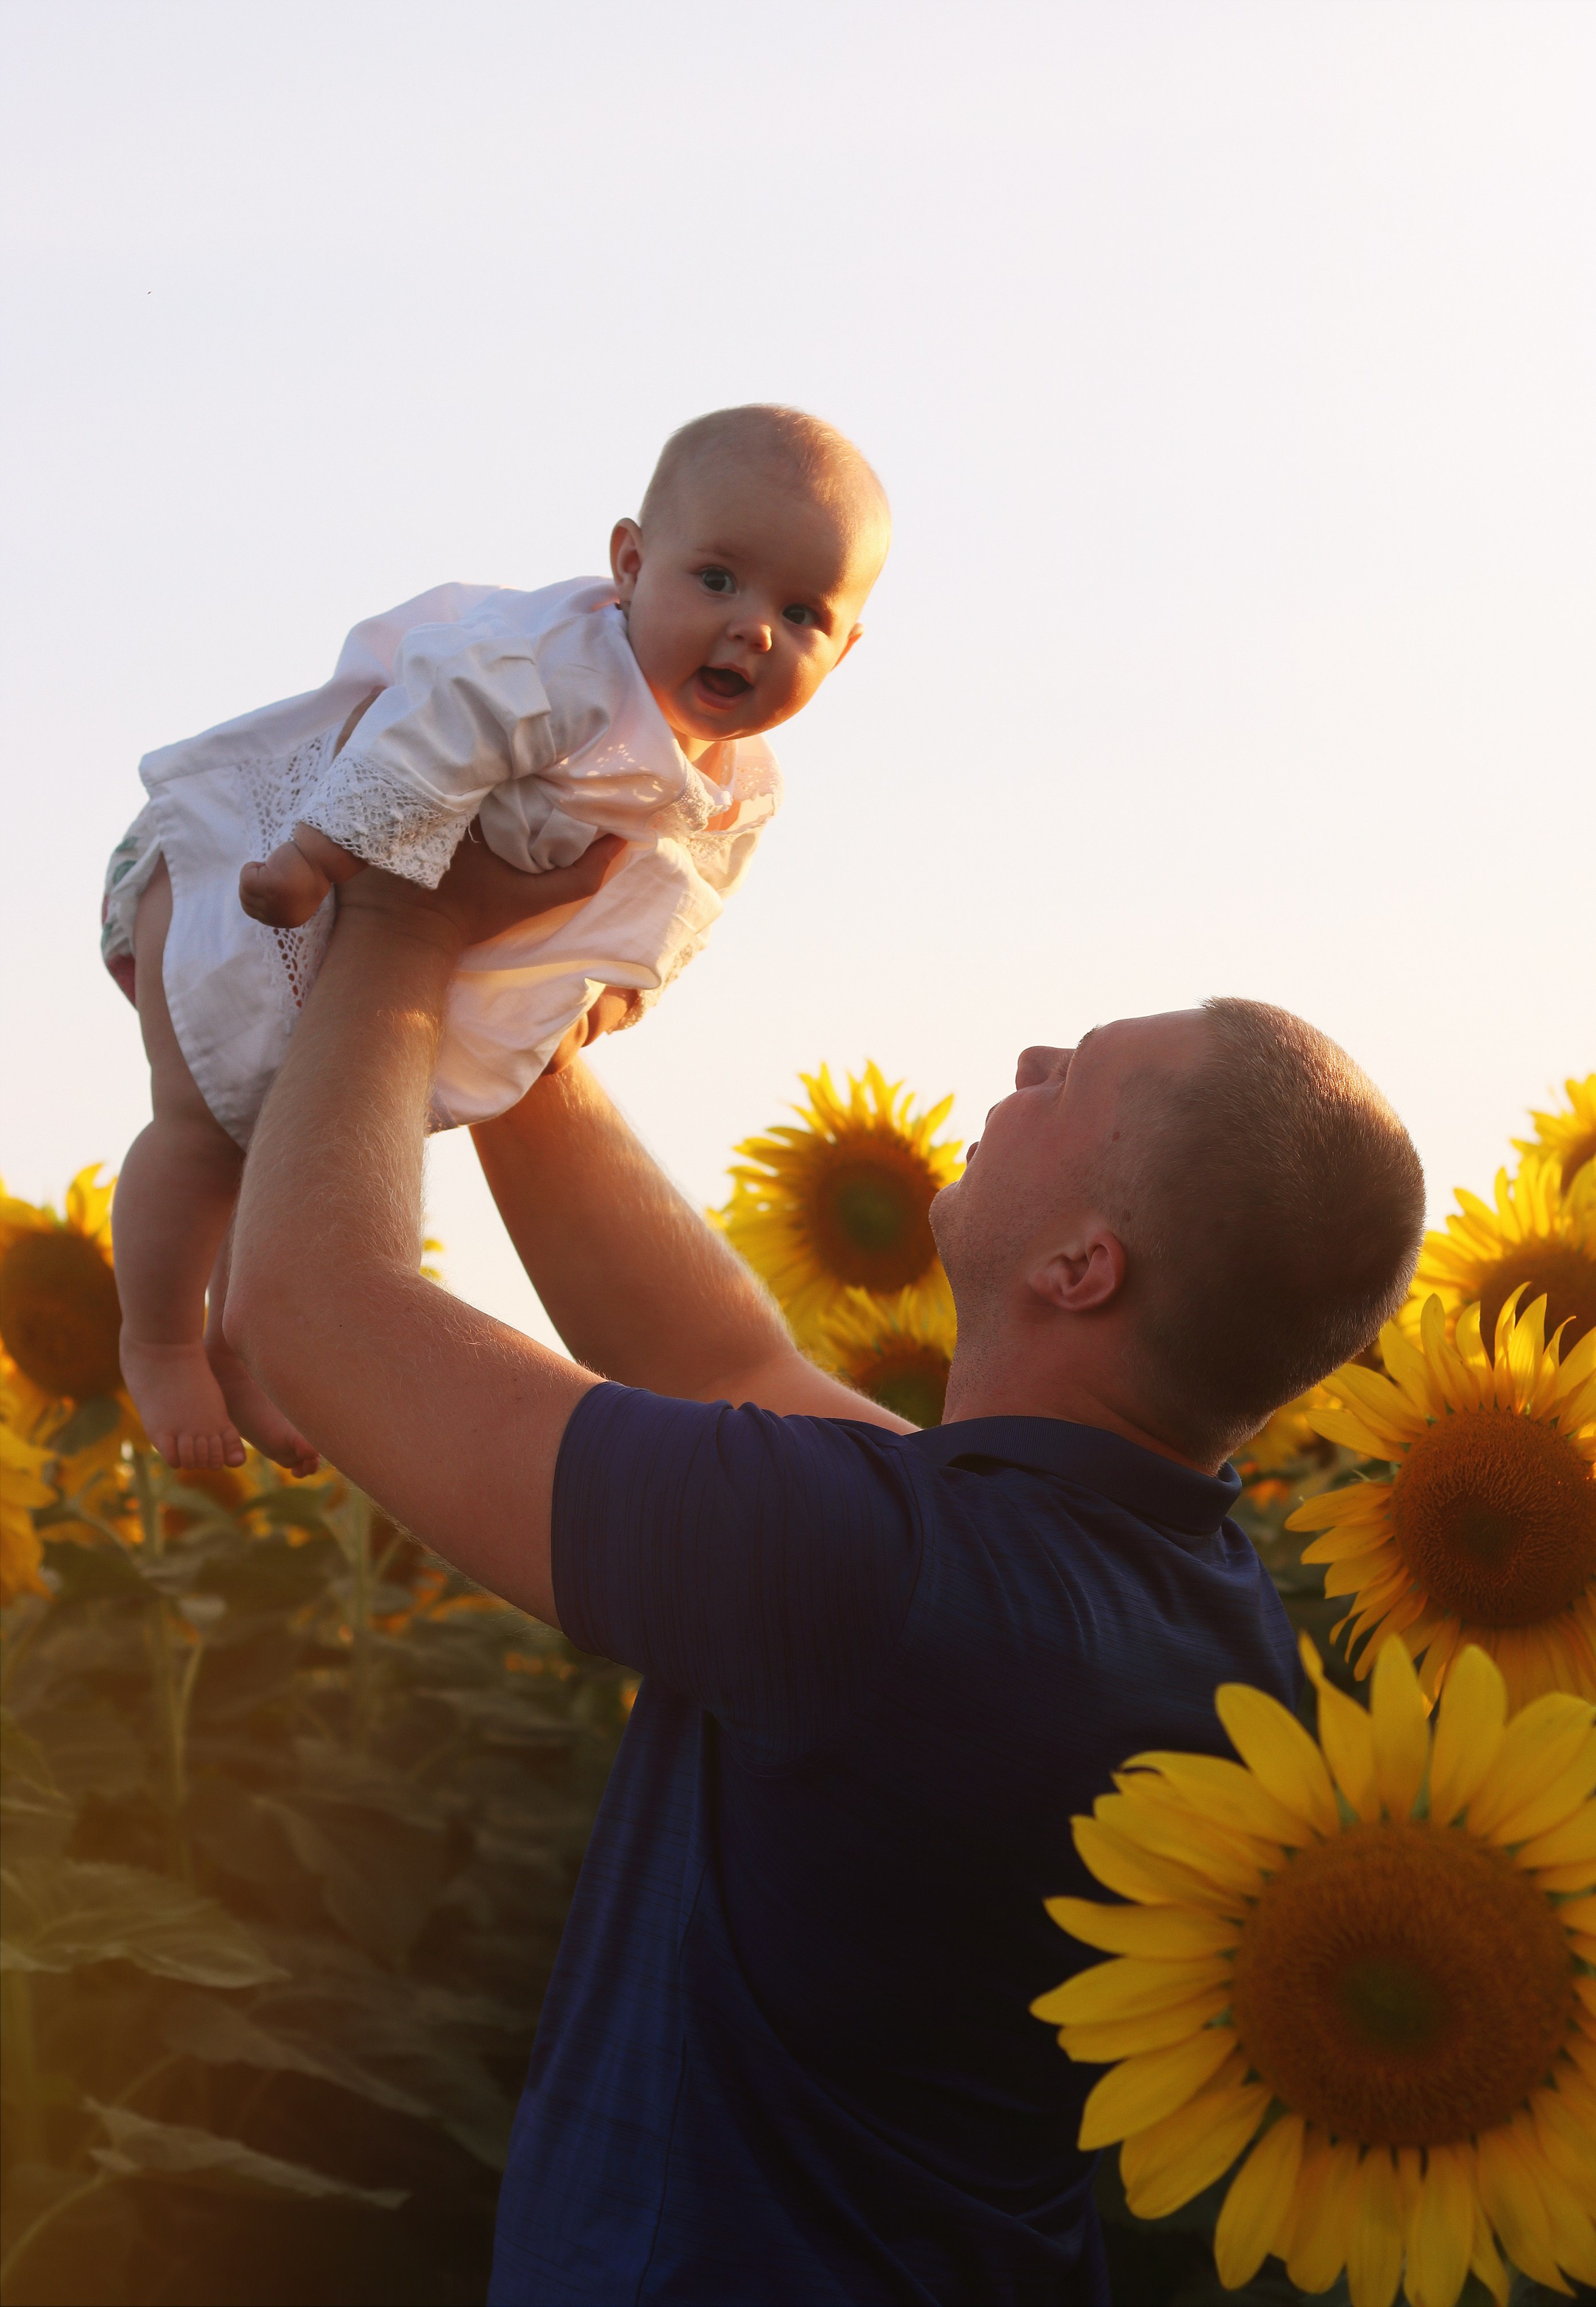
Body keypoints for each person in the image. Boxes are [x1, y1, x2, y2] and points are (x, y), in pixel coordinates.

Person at [224, 843, 1426, 2307]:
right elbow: (723, 1356)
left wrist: (406, 916)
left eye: (1077, 1076)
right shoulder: (1185, 1599)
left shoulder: (870, 1568)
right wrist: (516, 1015)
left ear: (1078, 1265)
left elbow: (310, 1304)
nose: (1033, 1053)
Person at [99, 405, 888, 1475]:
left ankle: (246, 1350)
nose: (753, 627)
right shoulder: (554, 665)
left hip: (366, 940)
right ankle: (154, 1340)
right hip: (244, 861)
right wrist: (317, 860)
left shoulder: (738, 792)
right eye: (716, 581)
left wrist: (623, 992)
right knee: (200, 1132)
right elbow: (421, 737)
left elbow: (683, 901)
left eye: (801, 613)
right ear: (629, 564)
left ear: (843, 654)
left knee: (277, 1152)